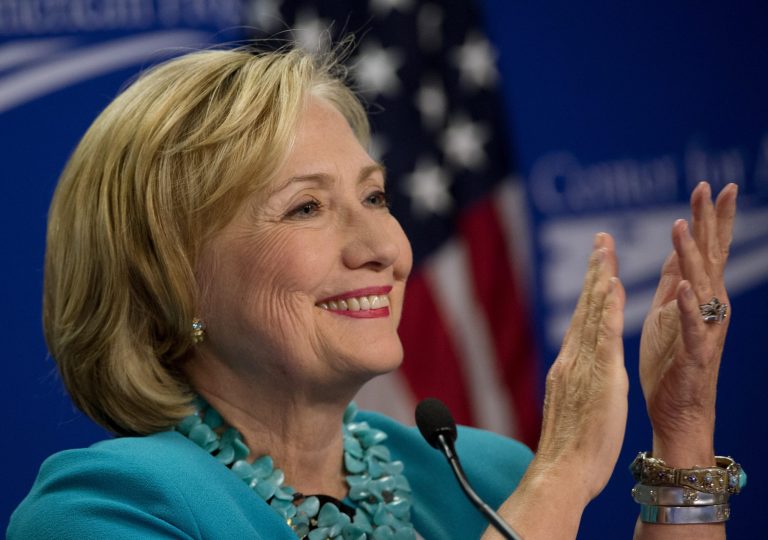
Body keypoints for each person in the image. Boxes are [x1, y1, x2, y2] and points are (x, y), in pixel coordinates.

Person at [7, 44, 741, 540]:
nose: (383, 250)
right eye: (307, 207)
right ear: (167, 274)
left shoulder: (483, 473)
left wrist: (681, 426)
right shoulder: (103, 511)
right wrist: (562, 476)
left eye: (378, 199)